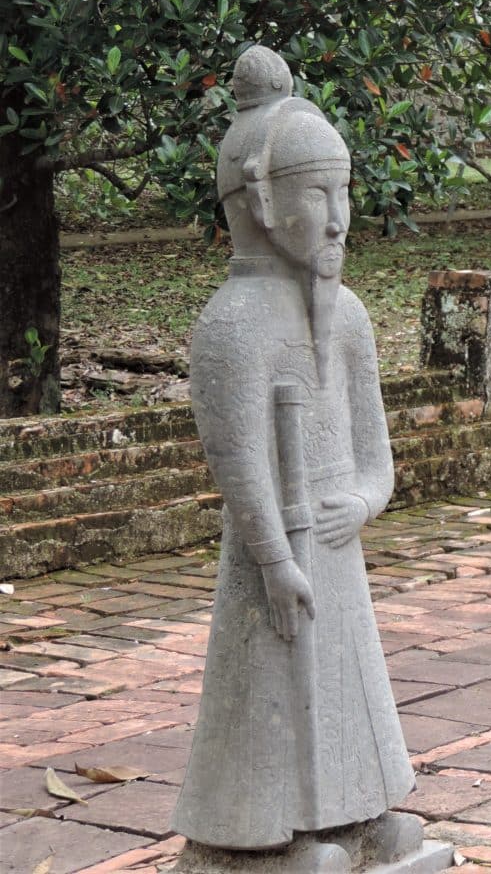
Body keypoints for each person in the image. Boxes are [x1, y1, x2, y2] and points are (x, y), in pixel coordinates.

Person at [174, 47, 444, 872]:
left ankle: (357, 816)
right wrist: (273, 554)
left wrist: (359, 504)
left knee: (347, 682)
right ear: (259, 202)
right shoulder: (233, 325)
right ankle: (256, 839)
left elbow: (377, 458)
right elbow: (236, 459)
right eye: (315, 195)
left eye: (344, 193)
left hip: (334, 541)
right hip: (279, 552)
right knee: (267, 683)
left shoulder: (351, 317)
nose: (336, 218)